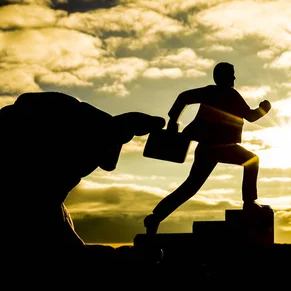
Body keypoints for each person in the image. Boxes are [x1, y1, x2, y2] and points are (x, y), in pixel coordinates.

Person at [1, 91, 165, 261]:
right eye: (90, 153)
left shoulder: (38, 197)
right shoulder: (28, 204)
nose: (96, 166)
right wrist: (130, 260)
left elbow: (69, 254)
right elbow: (65, 262)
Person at [143, 62, 272, 236]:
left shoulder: (223, 94)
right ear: (223, 76)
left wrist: (263, 110)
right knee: (251, 161)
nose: (234, 78)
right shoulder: (219, 93)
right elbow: (250, 116)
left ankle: (155, 217)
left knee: (190, 187)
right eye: (231, 74)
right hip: (218, 147)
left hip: (211, 148)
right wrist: (264, 109)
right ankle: (249, 202)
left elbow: (249, 116)